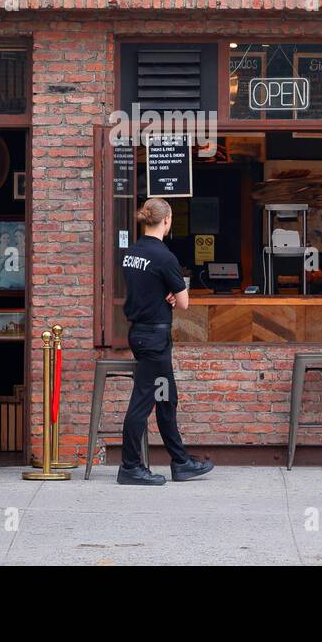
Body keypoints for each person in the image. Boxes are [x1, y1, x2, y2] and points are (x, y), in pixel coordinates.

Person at [117, 198, 214, 486]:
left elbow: (147, 288)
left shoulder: (132, 252)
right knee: (143, 401)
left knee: (165, 398)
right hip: (155, 338)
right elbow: (184, 303)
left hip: (141, 334)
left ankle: (181, 462)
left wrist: (167, 291)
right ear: (167, 221)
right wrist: (176, 291)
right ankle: (130, 467)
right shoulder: (165, 257)